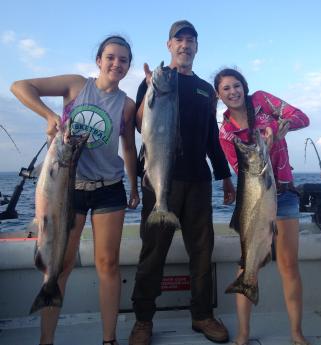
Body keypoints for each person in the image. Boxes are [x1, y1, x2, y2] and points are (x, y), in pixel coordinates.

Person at [11, 35, 140, 345]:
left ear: (128, 66)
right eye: (110, 57)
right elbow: (20, 86)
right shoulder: (75, 85)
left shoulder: (127, 105)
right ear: (99, 60)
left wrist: (134, 186)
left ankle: (109, 339)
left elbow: (129, 148)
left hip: (109, 188)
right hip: (68, 189)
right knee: (61, 265)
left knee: (108, 264)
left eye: (123, 60)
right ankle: (47, 339)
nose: (116, 64)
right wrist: (50, 115)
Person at [128, 20, 235, 345]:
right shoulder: (155, 81)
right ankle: (143, 320)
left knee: (202, 251)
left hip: (199, 182)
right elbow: (139, 128)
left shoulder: (205, 89)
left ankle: (202, 315)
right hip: (161, 179)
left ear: (196, 47)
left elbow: (211, 138)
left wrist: (225, 176)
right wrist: (149, 90)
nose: (185, 45)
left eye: (191, 40)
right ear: (169, 45)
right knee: (153, 252)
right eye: (179, 40)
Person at [214, 68, 310, 345]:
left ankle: (296, 334)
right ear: (219, 96)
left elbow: (302, 117)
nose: (233, 92)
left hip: (285, 195)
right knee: (247, 266)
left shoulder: (263, 101)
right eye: (225, 89)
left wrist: (284, 128)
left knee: (289, 265)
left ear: (244, 86)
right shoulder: (226, 134)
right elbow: (240, 170)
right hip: (254, 202)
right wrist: (264, 148)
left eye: (236, 86)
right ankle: (243, 334)